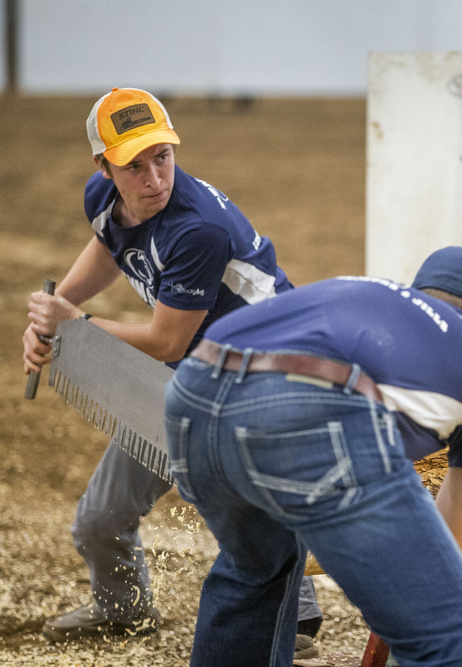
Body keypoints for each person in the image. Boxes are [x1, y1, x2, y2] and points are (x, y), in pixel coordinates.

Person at [22, 87, 322, 651]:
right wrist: (51, 316)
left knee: (241, 500)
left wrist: (72, 325)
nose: (154, 178)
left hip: (262, 373)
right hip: (195, 370)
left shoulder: (197, 228)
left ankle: (294, 624)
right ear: (103, 168)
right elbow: (109, 248)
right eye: (133, 166)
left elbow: (163, 340)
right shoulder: (106, 198)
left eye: (163, 157)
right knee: (99, 519)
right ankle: (122, 610)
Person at [163, 246, 462, 667]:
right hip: (310, 405)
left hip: (190, 393)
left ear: (416, 291)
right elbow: (448, 542)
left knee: (256, 573)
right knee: (454, 641)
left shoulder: (366, 289)